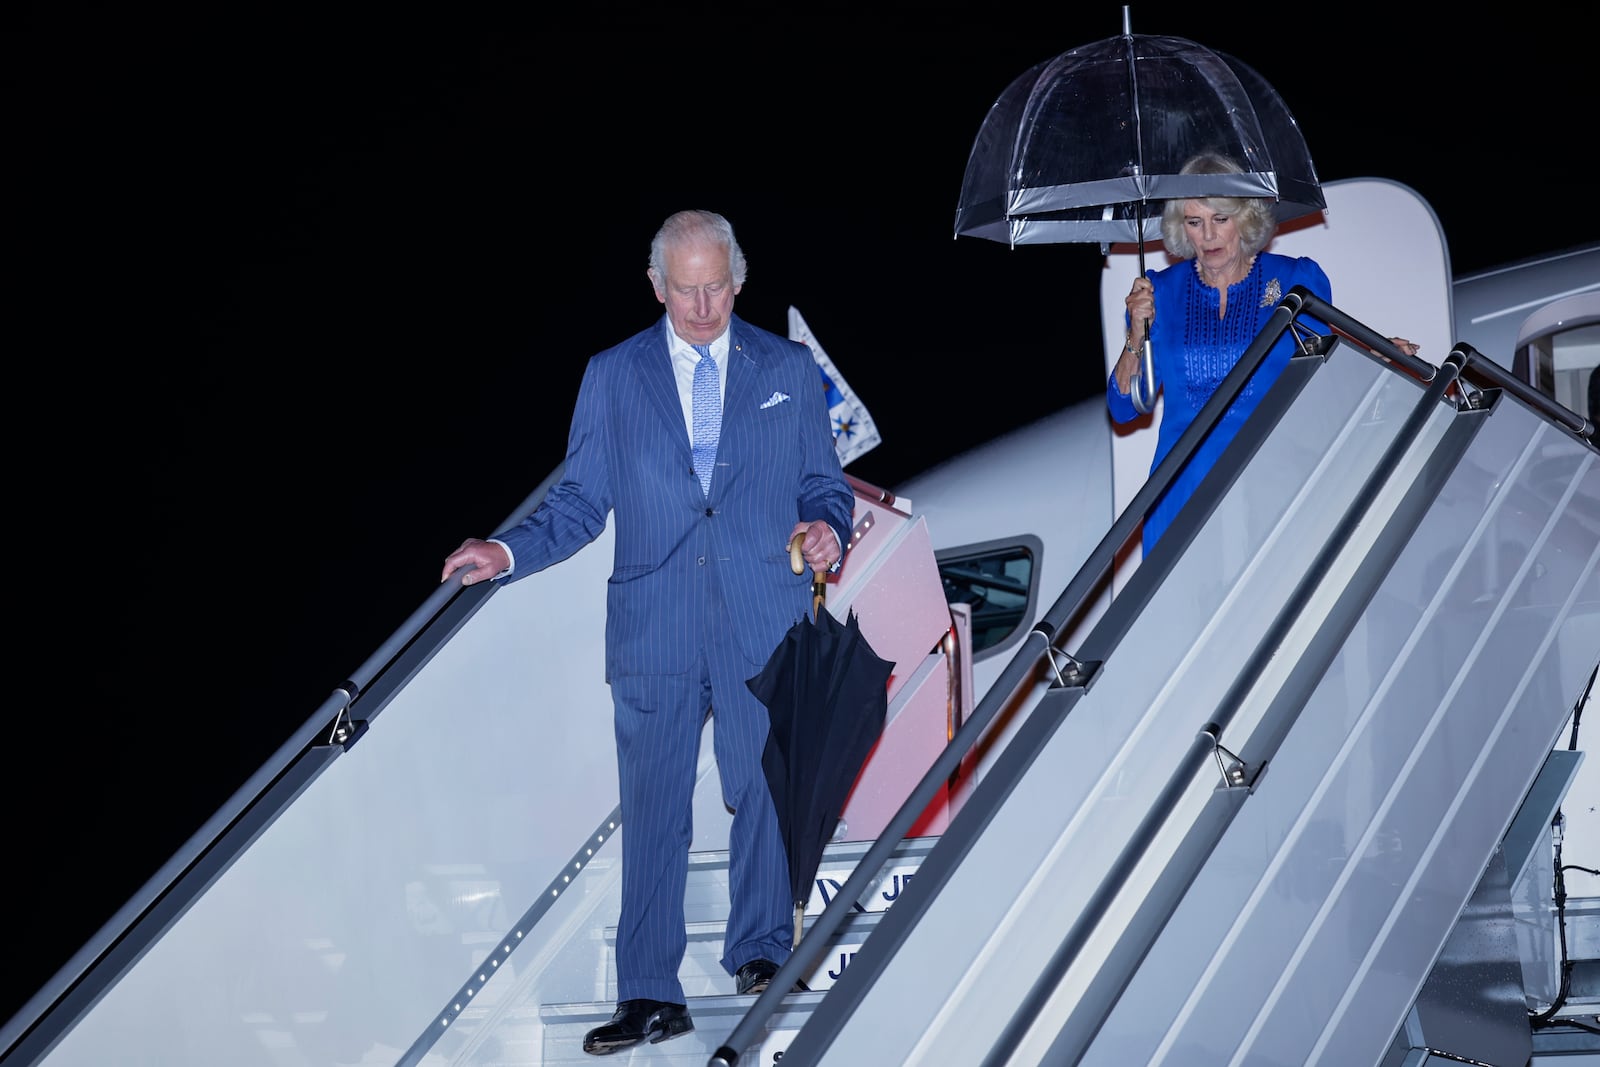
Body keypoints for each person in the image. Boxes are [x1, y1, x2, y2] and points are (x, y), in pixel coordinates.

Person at [441, 209, 852, 1055]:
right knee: (655, 808)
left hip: (761, 607)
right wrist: (506, 548)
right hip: (654, 620)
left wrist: (826, 528)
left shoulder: (789, 367)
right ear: (656, 286)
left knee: (763, 784)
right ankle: (648, 992)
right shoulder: (612, 375)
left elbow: (824, 483)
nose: (702, 307)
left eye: (716, 287)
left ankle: (762, 950)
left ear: (739, 278)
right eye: (684, 290)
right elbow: (581, 501)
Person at [1107, 151, 1419, 552]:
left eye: (1221, 219)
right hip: (1182, 493)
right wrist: (1136, 332)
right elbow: (1125, 409)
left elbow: (1326, 372)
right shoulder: (1160, 290)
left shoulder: (1293, 278)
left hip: (1275, 487)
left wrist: (1379, 357)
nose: (1207, 236)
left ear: (1246, 217)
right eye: (1194, 222)